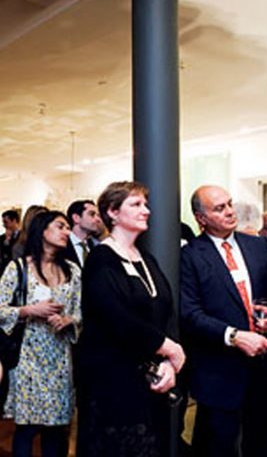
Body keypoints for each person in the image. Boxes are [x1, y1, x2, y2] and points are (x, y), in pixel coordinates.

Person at [76, 181, 185, 457]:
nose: (146, 210)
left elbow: (167, 311)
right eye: (136, 204)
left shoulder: (145, 258)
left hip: (151, 378)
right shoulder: (101, 259)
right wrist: (170, 349)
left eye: (145, 204)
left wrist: (168, 363)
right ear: (112, 213)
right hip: (113, 383)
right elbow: (118, 320)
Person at [180, 185, 267, 457]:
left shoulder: (258, 247)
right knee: (218, 446)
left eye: (230, 204)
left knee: (262, 444)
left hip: (261, 367)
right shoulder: (190, 256)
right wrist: (234, 336)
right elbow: (189, 314)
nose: (230, 212)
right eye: (219, 208)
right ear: (201, 218)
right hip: (218, 372)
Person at [0, 211, 81, 457]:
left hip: (60, 361)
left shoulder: (73, 271)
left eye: (68, 227)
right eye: (60, 226)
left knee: (56, 431)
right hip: (27, 360)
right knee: (25, 429)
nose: (67, 231)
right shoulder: (18, 268)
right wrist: (29, 310)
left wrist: (68, 321)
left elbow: (81, 314)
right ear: (42, 231)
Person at [66, 199, 103, 268]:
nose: (98, 219)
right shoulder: (63, 244)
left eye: (98, 216)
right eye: (92, 214)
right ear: (76, 218)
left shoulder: (96, 247)